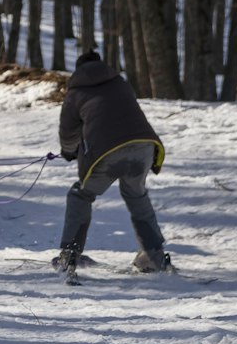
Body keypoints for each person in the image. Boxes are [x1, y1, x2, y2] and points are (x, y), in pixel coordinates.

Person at [54, 47, 171, 276]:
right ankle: (154, 256)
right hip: (144, 146)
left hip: (106, 154)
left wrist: (69, 152)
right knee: (137, 195)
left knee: (81, 195)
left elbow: (68, 133)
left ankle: (69, 256)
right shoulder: (120, 82)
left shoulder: (76, 92)